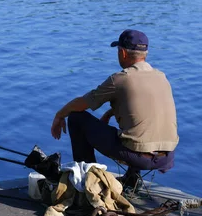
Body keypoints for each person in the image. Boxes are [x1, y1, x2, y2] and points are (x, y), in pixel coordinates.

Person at [50, 29, 179, 188]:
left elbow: (81, 103)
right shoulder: (161, 77)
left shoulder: (119, 79)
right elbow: (144, 107)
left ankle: (87, 183)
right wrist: (112, 112)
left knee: (76, 118)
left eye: (118, 51)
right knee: (137, 129)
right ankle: (132, 179)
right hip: (167, 156)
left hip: (140, 157)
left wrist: (59, 115)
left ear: (123, 53)